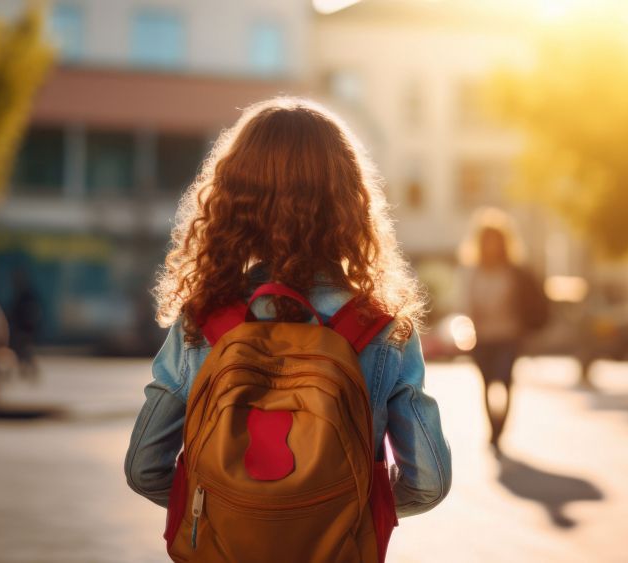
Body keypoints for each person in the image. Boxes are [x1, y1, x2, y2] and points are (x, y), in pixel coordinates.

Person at [124, 98, 452, 555]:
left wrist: (220, 507)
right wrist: (347, 509)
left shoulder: (202, 321)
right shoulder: (380, 327)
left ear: (234, 200)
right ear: (348, 201)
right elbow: (429, 482)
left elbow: (144, 468)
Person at [460, 209, 547, 450]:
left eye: (495, 241)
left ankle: (500, 430)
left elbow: (525, 303)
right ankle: (492, 427)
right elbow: (467, 305)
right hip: (482, 337)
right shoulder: (474, 272)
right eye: (487, 241)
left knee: (505, 381)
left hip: (509, 335)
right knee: (487, 383)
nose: (491, 246)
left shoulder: (513, 273)